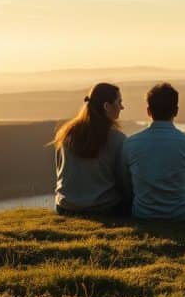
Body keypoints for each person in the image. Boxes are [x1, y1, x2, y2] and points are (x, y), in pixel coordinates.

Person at [121, 82, 185, 223]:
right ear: (176, 111)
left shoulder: (131, 143)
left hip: (143, 214)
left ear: (148, 111)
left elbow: (126, 184)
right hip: (184, 216)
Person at [52, 82, 128, 215]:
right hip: (103, 207)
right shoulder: (117, 139)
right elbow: (124, 181)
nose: (122, 107)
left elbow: (59, 170)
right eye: (119, 102)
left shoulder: (65, 134)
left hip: (65, 207)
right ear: (106, 106)